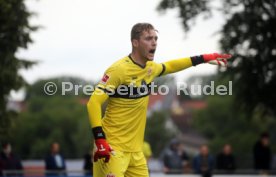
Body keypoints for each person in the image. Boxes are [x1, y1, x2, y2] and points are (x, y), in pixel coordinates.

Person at [86, 22, 232, 177]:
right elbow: (93, 103)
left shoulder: (150, 68)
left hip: (136, 153)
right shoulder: (118, 70)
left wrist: (203, 58)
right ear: (135, 43)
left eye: (155, 38)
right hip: (112, 148)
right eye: (149, 38)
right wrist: (100, 141)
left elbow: (170, 66)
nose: (154, 42)